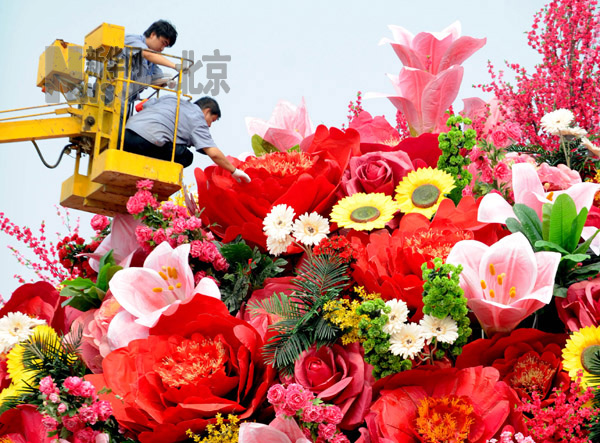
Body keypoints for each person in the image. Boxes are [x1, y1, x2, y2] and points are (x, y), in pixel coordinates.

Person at [123, 95, 251, 183]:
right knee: (186, 156)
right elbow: (213, 153)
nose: (209, 125)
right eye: (211, 120)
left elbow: (141, 106)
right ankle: (152, 175)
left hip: (126, 135)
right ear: (206, 111)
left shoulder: (172, 98)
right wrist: (234, 171)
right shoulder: (198, 119)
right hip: (147, 142)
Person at [123, 20, 181, 104]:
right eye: (163, 43)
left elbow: (155, 83)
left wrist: (168, 81)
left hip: (126, 102)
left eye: (165, 46)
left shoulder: (151, 63)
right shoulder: (132, 40)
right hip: (110, 93)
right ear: (153, 34)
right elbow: (147, 54)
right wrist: (175, 66)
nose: (162, 49)